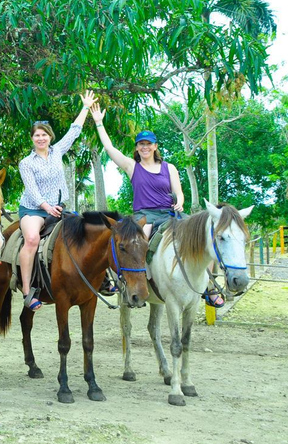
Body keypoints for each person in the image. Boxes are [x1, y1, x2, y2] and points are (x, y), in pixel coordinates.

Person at [90, 103, 223, 308]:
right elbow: (109, 148)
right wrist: (99, 122)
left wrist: (180, 201)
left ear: (155, 146)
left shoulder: (168, 168)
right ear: (136, 148)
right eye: (140, 144)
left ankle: (210, 286)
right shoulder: (132, 166)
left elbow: (178, 192)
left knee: (204, 235)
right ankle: (135, 286)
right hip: (145, 215)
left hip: (170, 213)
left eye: (148, 144)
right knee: (136, 244)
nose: (144, 147)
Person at [18, 91, 97, 311]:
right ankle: (27, 291)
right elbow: (32, 191)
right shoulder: (26, 162)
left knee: (87, 233)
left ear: (50, 137)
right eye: (36, 135)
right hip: (34, 209)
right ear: (32, 139)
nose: (40, 138)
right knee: (32, 239)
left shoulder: (57, 152)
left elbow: (74, 131)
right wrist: (46, 207)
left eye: (44, 134)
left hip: (60, 208)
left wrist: (85, 108)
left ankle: (98, 281)